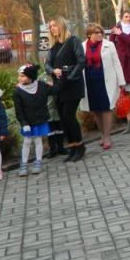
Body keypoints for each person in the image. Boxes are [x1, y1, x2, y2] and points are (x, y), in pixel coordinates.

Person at [45, 16, 86, 163]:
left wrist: (69, 76)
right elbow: (47, 65)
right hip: (59, 87)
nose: (52, 29)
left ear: (61, 26)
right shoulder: (53, 46)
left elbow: (81, 61)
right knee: (63, 119)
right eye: (50, 26)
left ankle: (80, 147)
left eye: (54, 25)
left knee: (69, 116)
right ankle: (72, 147)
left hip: (72, 85)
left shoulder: (73, 41)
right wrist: (53, 71)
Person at [80, 23, 125, 152]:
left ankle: (107, 136)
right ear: (89, 35)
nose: (100, 35)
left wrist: (121, 81)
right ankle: (102, 133)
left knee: (106, 108)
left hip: (106, 81)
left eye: (101, 32)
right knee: (96, 110)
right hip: (90, 82)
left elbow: (116, 63)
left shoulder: (109, 45)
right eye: (96, 33)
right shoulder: (82, 46)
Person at [13, 64, 52, 175]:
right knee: (27, 141)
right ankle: (24, 164)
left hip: (39, 120)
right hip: (27, 122)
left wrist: (55, 82)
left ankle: (38, 162)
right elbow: (19, 110)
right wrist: (24, 123)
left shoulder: (41, 85)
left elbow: (53, 90)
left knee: (38, 140)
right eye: (19, 76)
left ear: (31, 77)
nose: (20, 78)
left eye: (23, 76)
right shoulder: (18, 91)